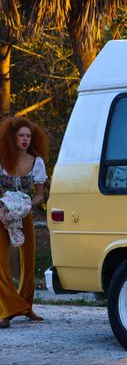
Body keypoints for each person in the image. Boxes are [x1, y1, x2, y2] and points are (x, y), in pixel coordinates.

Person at [0, 117, 48, 329]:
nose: (25, 139)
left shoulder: (36, 162)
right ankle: (6, 309)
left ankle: (26, 306)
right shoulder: (2, 160)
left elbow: (40, 196)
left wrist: (24, 206)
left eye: (28, 136)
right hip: (1, 214)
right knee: (0, 262)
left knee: (28, 260)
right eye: (21, 135)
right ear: (13, 137)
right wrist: (3, 210)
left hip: (24, 214)